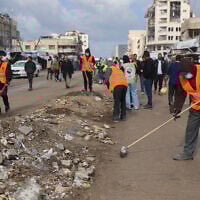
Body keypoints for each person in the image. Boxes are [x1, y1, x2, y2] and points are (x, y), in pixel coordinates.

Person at [173, 58, 200, 161]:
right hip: (195, 108)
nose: (185, 76)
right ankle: (188, 153)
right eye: (183, 73)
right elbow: (180, 93)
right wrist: (177, 109)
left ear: (192, 69)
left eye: (186, 73)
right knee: (190, 131)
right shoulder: (182, 77)